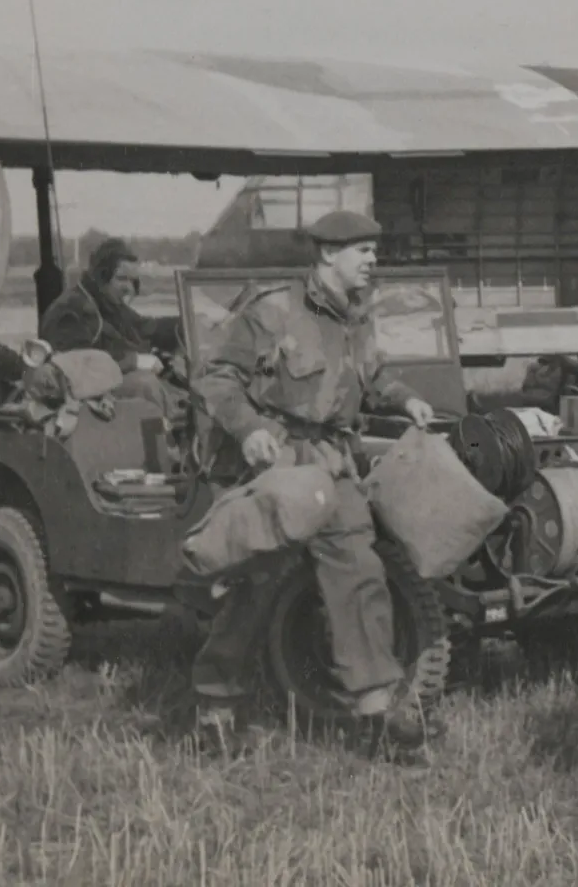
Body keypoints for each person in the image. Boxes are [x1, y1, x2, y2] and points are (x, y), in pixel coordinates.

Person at [186, 209, 439, 763]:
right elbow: (217, 378)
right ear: (328, 254)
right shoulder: (272, 310)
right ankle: (216, 709)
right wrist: (250, 431)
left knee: (360, 575)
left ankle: (376, 716)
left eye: (375, 251)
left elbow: (371, 379)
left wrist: (405, 399)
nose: (374, 261)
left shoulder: (356, 316)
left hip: (332, 461)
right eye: (363, 251)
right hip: (278, 461)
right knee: (253, 584)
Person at [37, 238, 180, 412]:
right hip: (83, 401)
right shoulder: (69, 310)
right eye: (121, 279)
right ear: (100, 275)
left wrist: (186, 325)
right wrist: (133, 361)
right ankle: (168, 436)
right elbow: (73, 369)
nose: (129, 288)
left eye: (132, 281)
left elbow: (146, 328)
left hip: (109, 386)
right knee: (145, 385)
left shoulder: (109, 304)